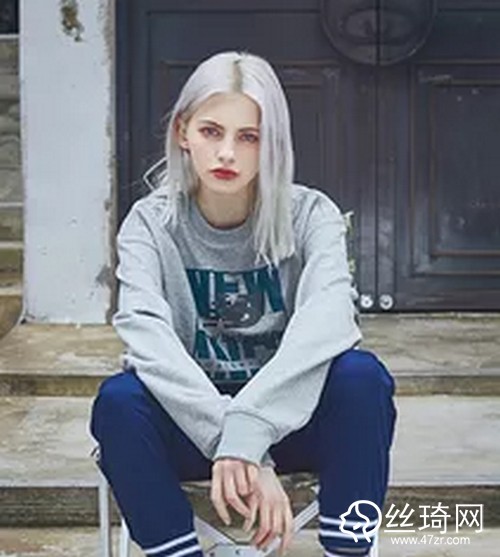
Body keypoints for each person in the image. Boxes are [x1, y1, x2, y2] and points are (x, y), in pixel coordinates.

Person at [90, 51, 397, 557]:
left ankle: (347, 550)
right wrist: (239, 446)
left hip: (291, 420)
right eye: (211, 131)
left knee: (362, 380)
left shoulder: (311, 215)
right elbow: (148, 340)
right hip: (194, 428)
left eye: (249, 137)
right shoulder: (148, 224)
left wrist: (253, 433)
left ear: (271, 144)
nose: (227, 153)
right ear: (183, 132)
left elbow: (329, 324)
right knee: (119, 403)